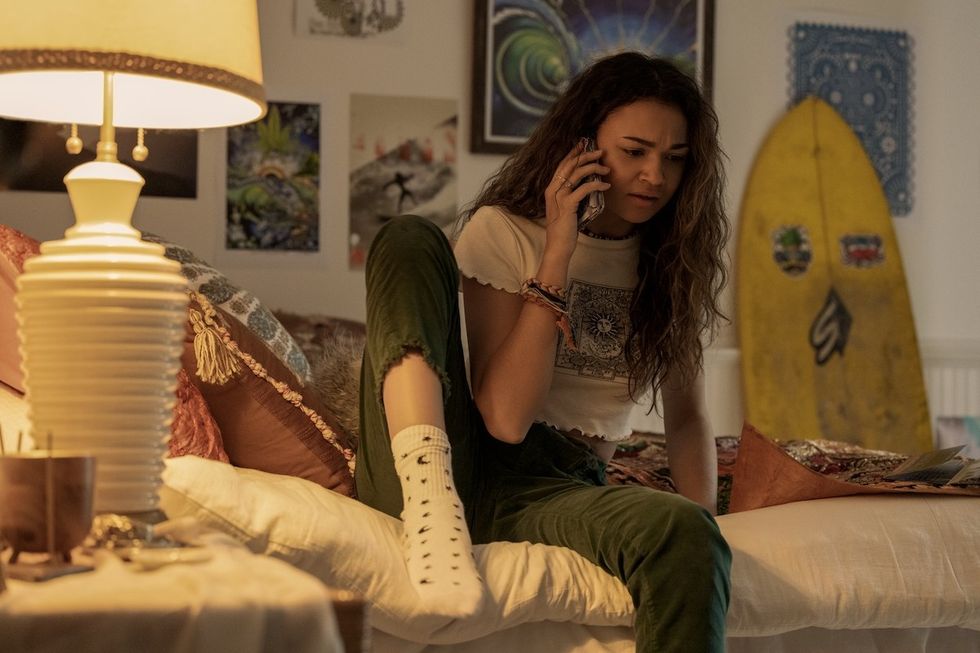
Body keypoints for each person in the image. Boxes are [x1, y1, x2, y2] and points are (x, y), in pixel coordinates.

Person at [355, 51, 732, 652]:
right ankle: (430, 503)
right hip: (457, 461)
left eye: (675, 158)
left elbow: (687, 421)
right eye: (635, 151)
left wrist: (708, 527)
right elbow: (505, 419)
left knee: (684, 530)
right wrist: (558, 252)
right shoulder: (504, 232)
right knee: (409, 237)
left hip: (559, 488)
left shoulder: (672, 265)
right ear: (582, 147)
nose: (655, 176)